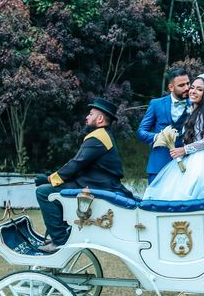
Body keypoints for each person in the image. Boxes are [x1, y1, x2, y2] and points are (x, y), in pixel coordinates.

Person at [36, 98, 132, 253]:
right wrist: (54, 177)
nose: (87, 117)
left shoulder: (98, 137)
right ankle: (60, 234)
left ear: (100, 119)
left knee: (43, 192)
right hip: (97, 183)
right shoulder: (102, 135)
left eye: (91, 113)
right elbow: (80, 165)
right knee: (51, 189)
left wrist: (50, 179)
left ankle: (59, 240)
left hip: (98, 187)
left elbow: (76, 164)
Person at [142, 74, 204, 201]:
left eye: (199, 89)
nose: (193, 91)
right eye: (192, 87)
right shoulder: (192, 108)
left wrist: (185, 149)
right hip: (189, 158)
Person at [137, 67, 191, 184]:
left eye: (188, 83)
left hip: (186, 164)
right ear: (171, 87)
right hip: (158, 164)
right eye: (181, 85)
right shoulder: (156, 104)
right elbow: (141, 132)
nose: (187, 88)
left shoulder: (195, 105)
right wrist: (157, 137)